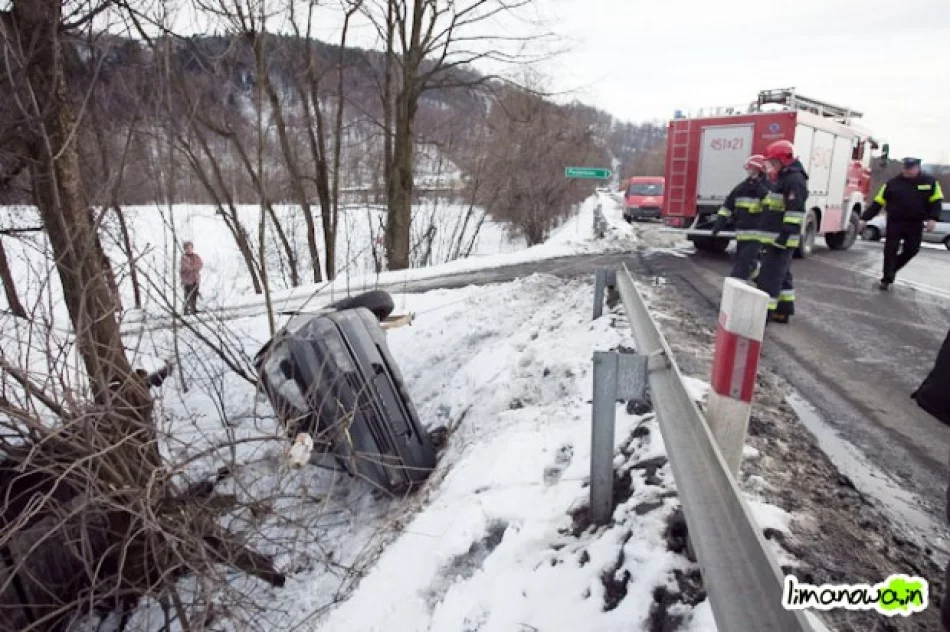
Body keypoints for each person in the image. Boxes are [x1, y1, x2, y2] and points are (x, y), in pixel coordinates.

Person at [859, 157, 944, 291]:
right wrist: (864, 218)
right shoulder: (892, 183)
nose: (907, 171)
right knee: (890, 250)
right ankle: (886, 279)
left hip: (915, 222)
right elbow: (878, 203)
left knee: (912, 249)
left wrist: (933, 218)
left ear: (917, 168)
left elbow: (936, 201)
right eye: (905, 168)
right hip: (895, 221)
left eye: (910, 168)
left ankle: (893, 267)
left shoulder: (929, 182)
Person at [757, 140, 808, 324]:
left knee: (769, 279)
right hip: (778, 238)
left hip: (781, 239)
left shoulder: (793, 180)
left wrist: (784, 236)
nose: (772, 166)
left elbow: (794, 213)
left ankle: (764, 316)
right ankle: (783, 310)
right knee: (782, 276)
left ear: (784, 160)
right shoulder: (785, 178)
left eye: (774, 162)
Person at [711, 154, 772, 281]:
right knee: (746, 264)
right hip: (741, 235)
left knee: (741, 267)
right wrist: (719, 224)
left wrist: (758, 187)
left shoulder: (767, 188)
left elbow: (771, 207)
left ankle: (734, 292)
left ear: (757, 170)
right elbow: (727, 206)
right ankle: (759, 277)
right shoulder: (741, 188)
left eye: (750, 169)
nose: (748, 171)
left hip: (758, 236)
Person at [180, 240, 203, 315]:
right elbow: (186, 267)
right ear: (185, 249)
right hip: (187, 279)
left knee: (194, 294)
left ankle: (193, 308)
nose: (189, 249)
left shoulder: (196, 256)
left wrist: (193, 268)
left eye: (190, 248)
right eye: (187, 248)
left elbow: (200, 264)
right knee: (187, 295)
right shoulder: (183, 258)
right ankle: (186, 310)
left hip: (195, 279)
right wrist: (193, 268)